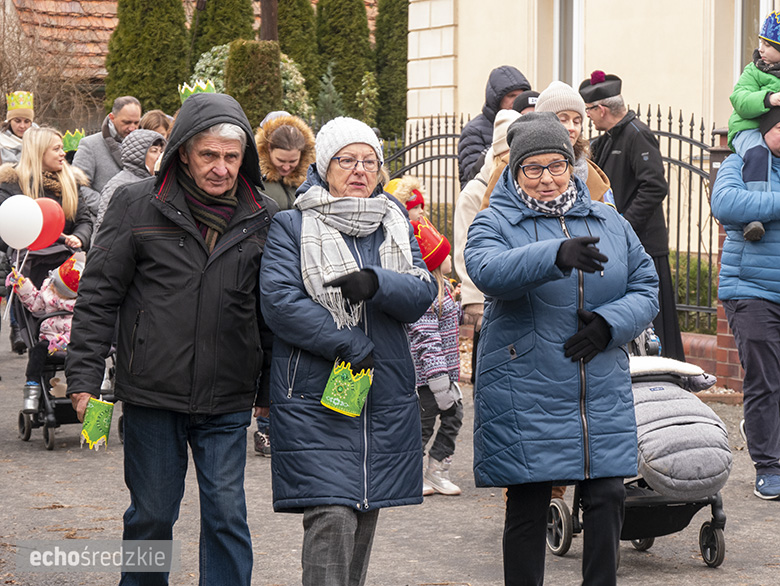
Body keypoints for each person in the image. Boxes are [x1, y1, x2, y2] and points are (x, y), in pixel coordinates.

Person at [65, 92, 278, 585]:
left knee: (227, 516)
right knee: (153, 517)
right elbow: (99, 296)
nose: (220, 168)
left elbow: (269, 313)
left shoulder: (264, 216)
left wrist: (268, 395)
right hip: (153, 392)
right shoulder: (137, 204)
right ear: (183, 151)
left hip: (226, 395)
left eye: (231, 156)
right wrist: (84, 379)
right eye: (208, 155)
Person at [464, 112, 659, 586]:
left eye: (558, 165)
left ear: (573, 164)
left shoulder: (608, 219)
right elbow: (486, 270)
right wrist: (554, 254)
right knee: (529, 501)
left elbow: (646, 285)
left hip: (597, 381)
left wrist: (610, 323)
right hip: (526, 382)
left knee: (607, 494)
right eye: (534, 168)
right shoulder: (495, 220)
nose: (548, 177)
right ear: (514, 171)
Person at [259, 116, 437, 586]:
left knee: (363, 510)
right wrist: (346, 340)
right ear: (324, 166)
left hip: (382, 388)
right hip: (316, 390)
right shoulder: (292, 225)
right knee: (331, 513)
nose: (359, 170)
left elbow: (421, 293)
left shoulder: (395, 221)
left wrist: (377, 283)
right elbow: (279, 303)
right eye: (346, 160)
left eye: (369, 161)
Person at [579, 70, 685, 362]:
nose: (587, 118)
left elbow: (654, 186)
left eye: (588, 111)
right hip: (619, 245)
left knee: (654, 320)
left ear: (601, 109)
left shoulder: (637, 134)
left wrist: (622, 226)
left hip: (644, 245)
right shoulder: (604, 141)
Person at [711, 106, 780, 500]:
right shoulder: (741, 161)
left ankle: (766, 437)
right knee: (766, 379)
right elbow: (727, 206)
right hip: (752, 289)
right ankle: (768, 465)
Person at [454, 109, 520, 384]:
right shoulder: (475, 192)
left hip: (515, 298)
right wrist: (474, 303)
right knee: (489, 377)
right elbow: (464, 250)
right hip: (487, 302)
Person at [408, 216, 463, 497]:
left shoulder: (444, 292)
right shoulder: (427, 296)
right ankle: (410, 474)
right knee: (423, 426)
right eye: (445, 253)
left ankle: (437, 468)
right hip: (429, 379)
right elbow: (427, 341)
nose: (451, 256)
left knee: (454, 417)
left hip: (446, 375)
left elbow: (449, 326)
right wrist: (439, 381)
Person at [7, 252, 85, 414]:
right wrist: (22, 284)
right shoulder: (49, 292)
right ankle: (32, 385)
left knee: (86, 357)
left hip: (72, 344)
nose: (51, 288)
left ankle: (85, 388)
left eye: (55, 288)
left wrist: (64, 340)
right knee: (36, 351)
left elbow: (82, 330)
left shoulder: (79, 307)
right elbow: (35, 303)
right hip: (48, 342)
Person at [727, 11, 780, 242]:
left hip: (771, 132)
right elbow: (739, 99)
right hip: (747, 128)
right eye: (760, 43)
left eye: (767, 45)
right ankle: (754, 216)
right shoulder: (754, 70)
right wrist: (769, 99)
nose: (761, 49)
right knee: (758, 154)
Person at [535, 81, 613, 204]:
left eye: (576, 122)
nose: (571, 127)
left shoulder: (593, 175)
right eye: (563, 120)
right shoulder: (513, 165)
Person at [458, 65, 531, 188]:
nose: (517, 100)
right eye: (511, 96)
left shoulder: (528, 126)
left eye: (521, 95)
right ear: (497, 99)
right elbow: (472, 175)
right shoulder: (474, 130)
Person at [73, 95, 142, 214]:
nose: (132, 128)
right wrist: (108, 208)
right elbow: (77, 186)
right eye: (126, 122)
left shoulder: (145, 145)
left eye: (136, 123)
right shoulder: (90, 145)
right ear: (112, 117)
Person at [93, 129, 166, 237]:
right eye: (154, 151)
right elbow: (105, 230)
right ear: (139, 154)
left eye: (161, 151)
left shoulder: (160, 183)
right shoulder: (118, 185)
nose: (159, 157)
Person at [254, 114, 315, 212]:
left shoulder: (311, 180)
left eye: (293, 161)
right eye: (280, 160)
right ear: (269, 148)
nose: (286, 167)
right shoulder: (254, 178)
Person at [0, 91, 35, 165]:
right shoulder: (1, 143)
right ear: (10, 121)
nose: (22, 126)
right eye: (17, 121)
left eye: (26, 121)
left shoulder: (40, 141)